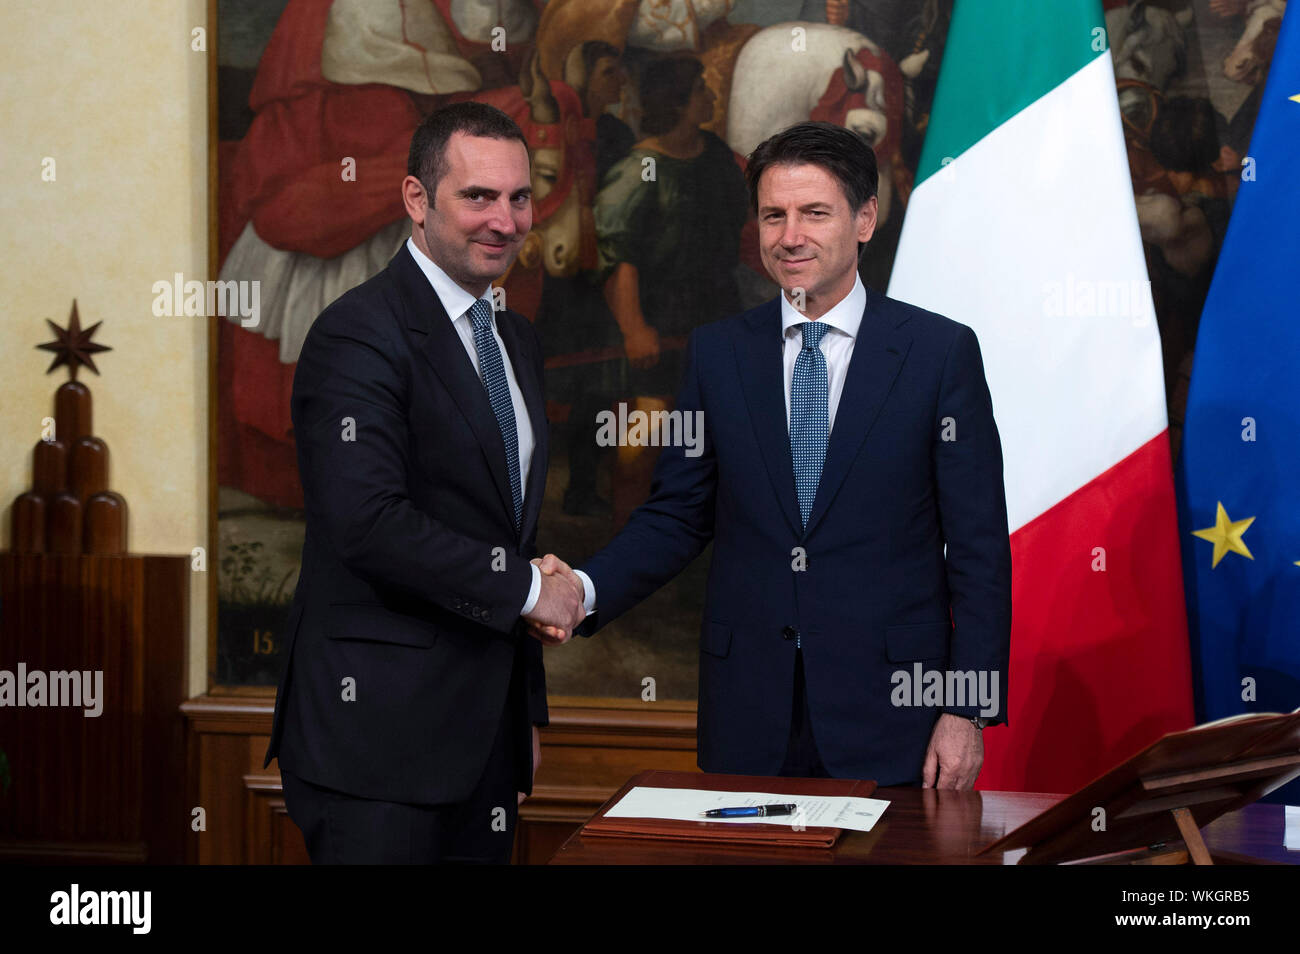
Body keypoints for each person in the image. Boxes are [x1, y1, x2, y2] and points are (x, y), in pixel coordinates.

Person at [532, 121, 1011, 789]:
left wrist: (969, 708)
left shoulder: (939, 355)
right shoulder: (718, 352)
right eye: (772, 215)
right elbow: (675, 516)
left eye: (815, 213)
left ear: (865, 218)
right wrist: (580, 591)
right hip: (749, 712)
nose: (790, 236)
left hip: (895, 715)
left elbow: (979, 548)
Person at [264, 102, 585, 863]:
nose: (504, 222)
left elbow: (507, 531)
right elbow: (368, 523)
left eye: (518, 198)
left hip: (483, 746)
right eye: (478, 197)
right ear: (417, 199)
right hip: (374, 747)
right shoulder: (357, 332)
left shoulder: (514, 338)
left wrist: (520, 714)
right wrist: (533, 590)